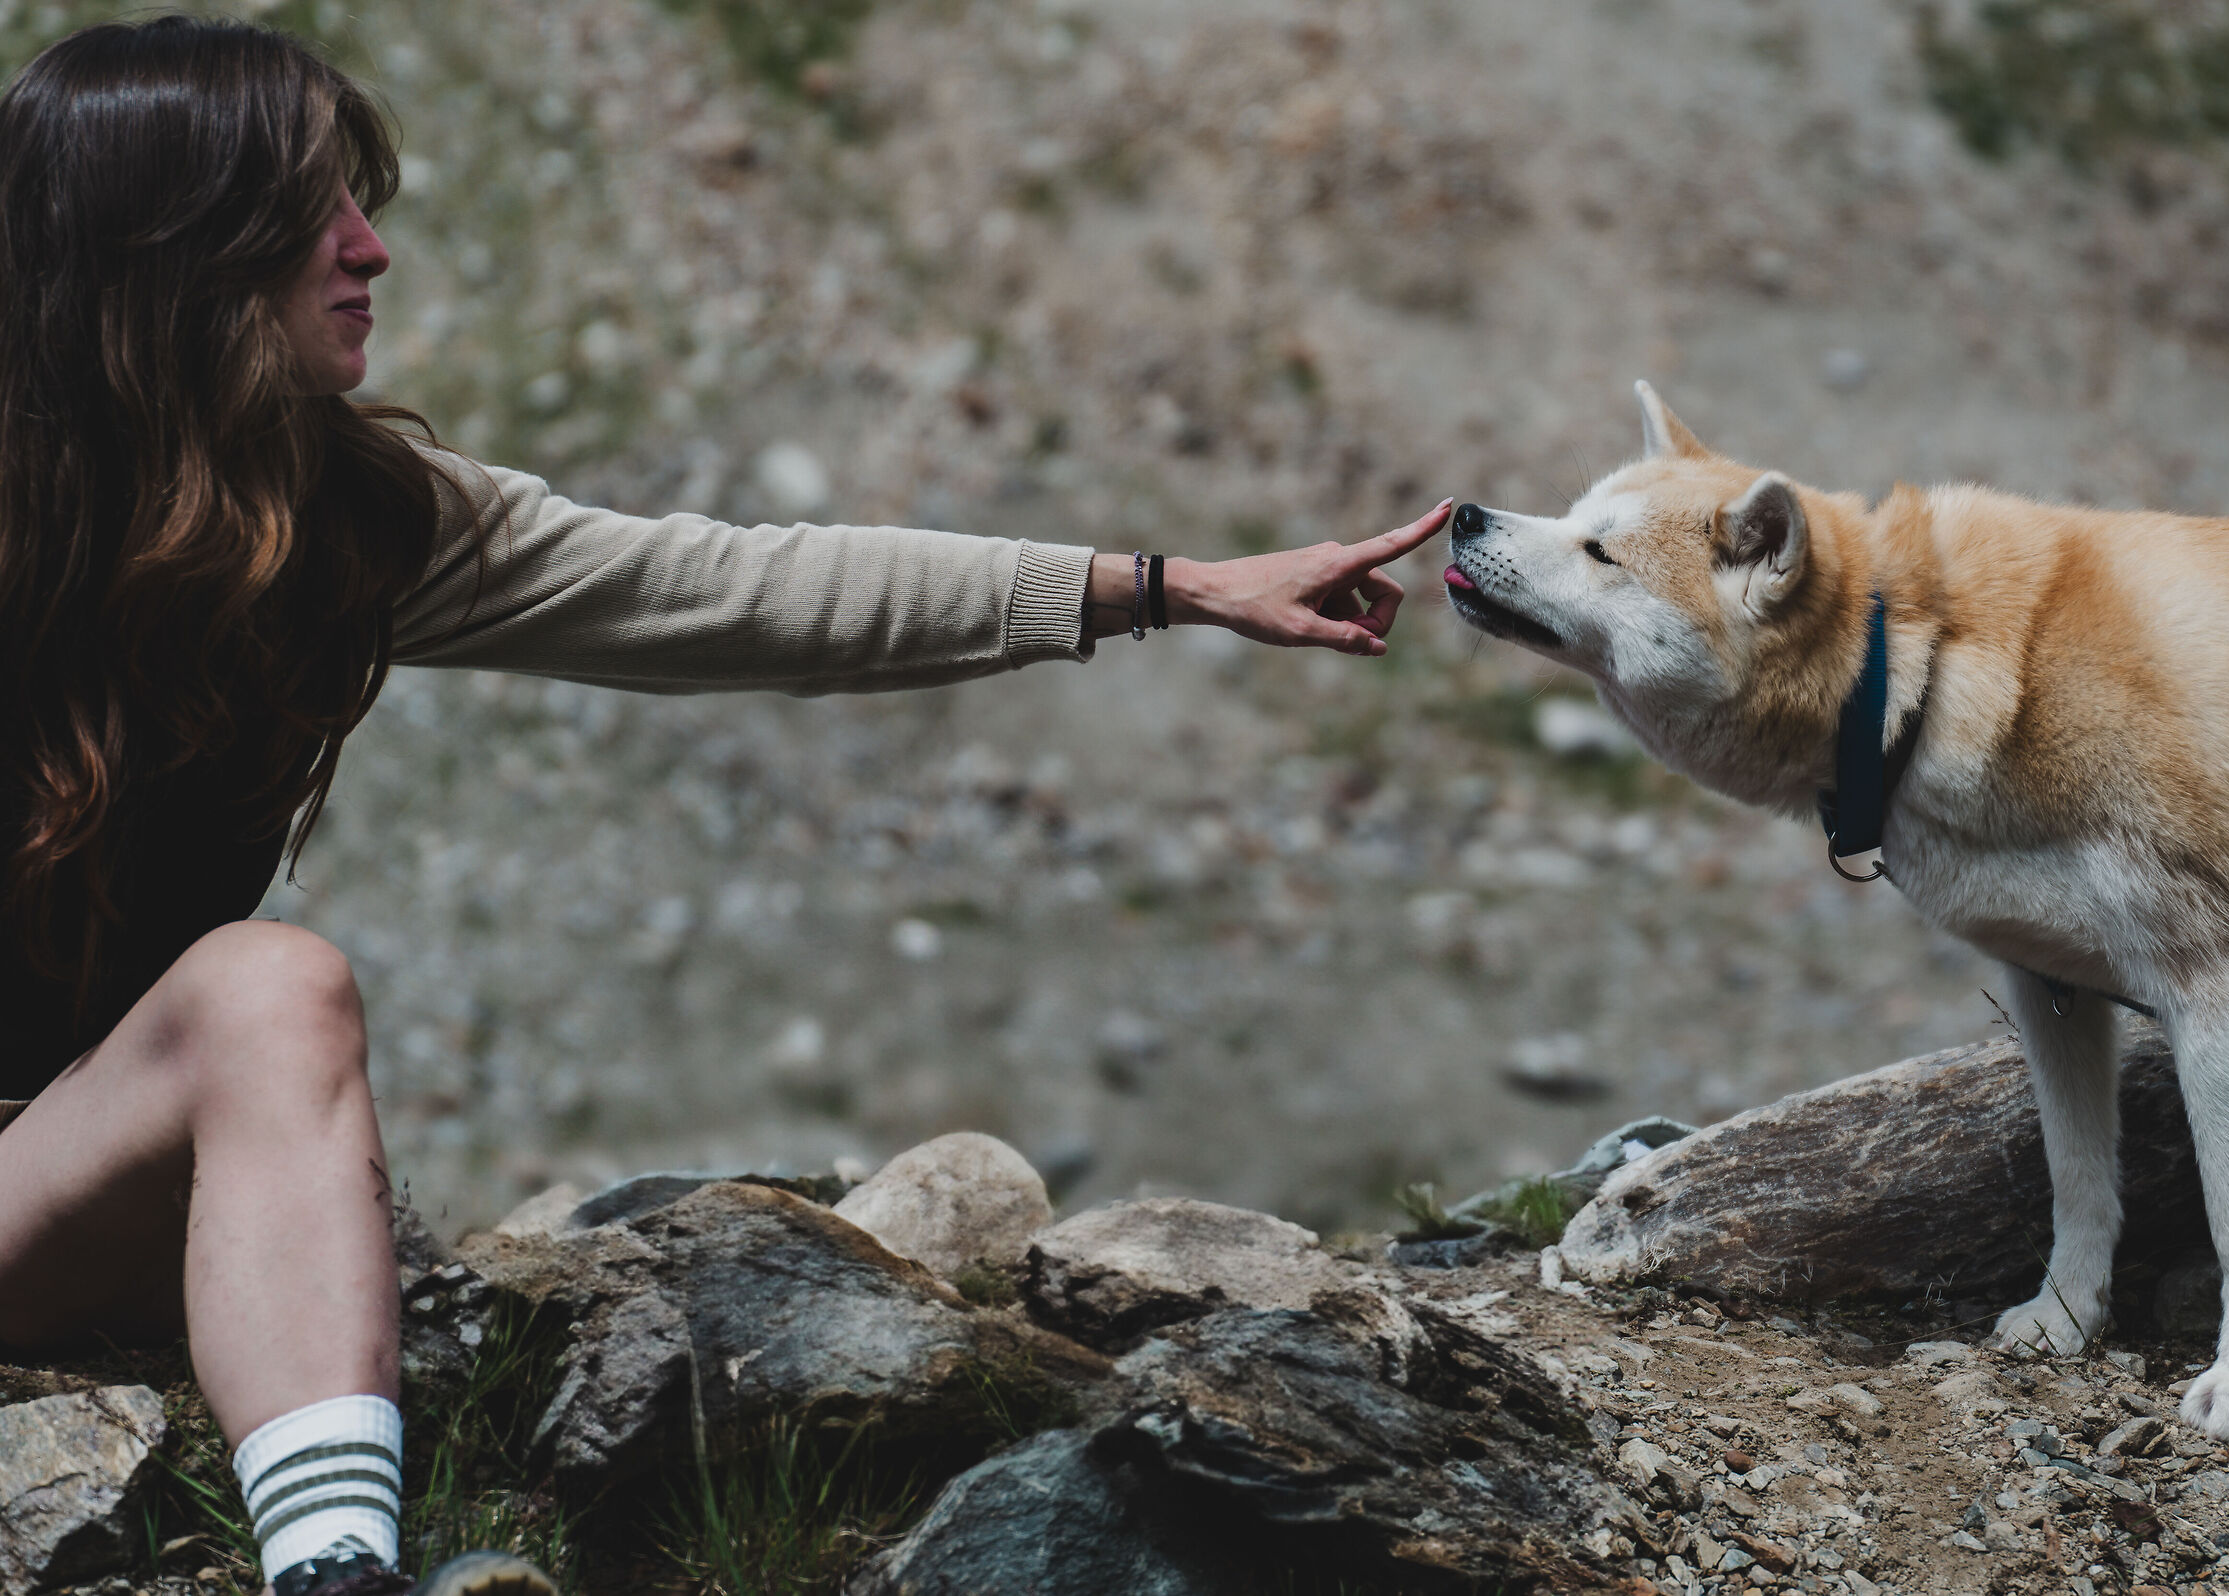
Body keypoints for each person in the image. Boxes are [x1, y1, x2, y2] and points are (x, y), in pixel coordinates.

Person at [0, 17, 1450, 1596]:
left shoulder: (346, 519)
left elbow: (737, 590)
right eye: (313, 213)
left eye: (361, 201)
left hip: (78, 1176)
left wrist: (1165, 588)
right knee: (270, 986)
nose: (372, 249)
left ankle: (338, 1573)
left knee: (266, 998)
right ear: (177, 250)